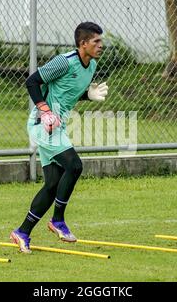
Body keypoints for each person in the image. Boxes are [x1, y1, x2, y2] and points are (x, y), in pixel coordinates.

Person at [10, 22, 109, 253]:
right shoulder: (64, 62)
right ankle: (57, 221)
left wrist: (88, 94)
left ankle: (22, 232)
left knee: (53, 185)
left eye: (101, 41)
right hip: (41, 124)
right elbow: (32, 81)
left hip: (57, 126)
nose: (101, 46)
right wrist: (45, 111)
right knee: (74, 166)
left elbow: (69, 91)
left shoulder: (92, 64)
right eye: (96, 41)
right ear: (82, 43)